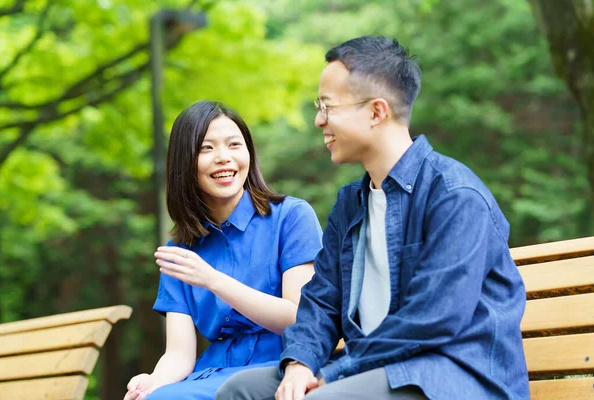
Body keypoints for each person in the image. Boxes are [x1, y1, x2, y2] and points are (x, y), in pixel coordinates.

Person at [215, 36, 529, 400]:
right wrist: (300, 363)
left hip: (455, 377)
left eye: (327, 106)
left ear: (377, 112)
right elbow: (321, 303)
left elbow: (433, 320)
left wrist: (337, 373)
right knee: (240, 391)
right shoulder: (351, 203)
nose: (319, 120)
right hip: (375, 369)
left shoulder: (455, 196)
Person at [124, 100, 323, 400]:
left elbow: (300, 316)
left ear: (249, 153)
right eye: (207, 148)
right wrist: (153, 381)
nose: (224, 158)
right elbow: (179, 354)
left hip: (283, 367)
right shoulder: (179, 250)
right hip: (211, 374)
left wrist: (212, 280)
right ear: (185, 161)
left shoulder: (291, 217)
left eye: (234, 145)